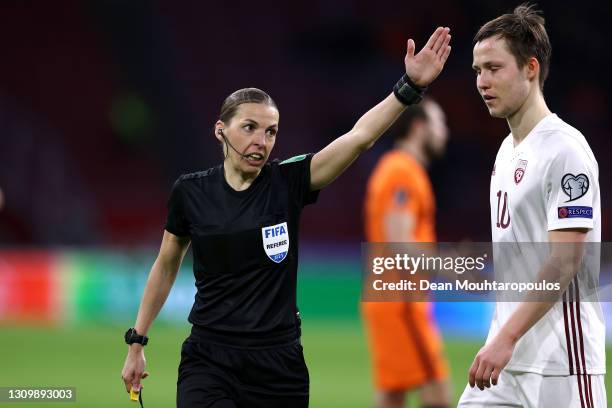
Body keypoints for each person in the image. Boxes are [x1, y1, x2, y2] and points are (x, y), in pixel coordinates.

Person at [120, 27, 452, 407]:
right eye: (249, 128)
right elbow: (165, 264)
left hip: (278, 367)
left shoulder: (289, 182)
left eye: (271, 131)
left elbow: (360, 137)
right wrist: (137, 341)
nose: (260, 141)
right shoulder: (190, 192)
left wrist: (408, 87)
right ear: (220, 131)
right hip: (209, 359)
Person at [459, 4, 605, 407]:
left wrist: (506, 338)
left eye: (494, 68)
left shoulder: (565, 150)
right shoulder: (506, 150)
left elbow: (565, 260)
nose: (482, 82)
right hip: (505, 360)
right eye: (477, 71)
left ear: (530, 68)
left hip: (563, 361)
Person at [362, 98, 452, 408]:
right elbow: (399, 242)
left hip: (396, 296)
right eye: (439, 124)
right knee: (437, 395)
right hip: (400, 301)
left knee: (392, 395)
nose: (445, 133)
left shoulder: (400, 169)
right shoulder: (401, 172)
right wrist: (455, 268)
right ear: (418, 127)